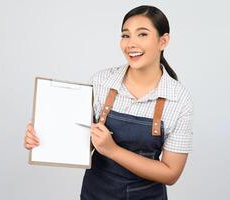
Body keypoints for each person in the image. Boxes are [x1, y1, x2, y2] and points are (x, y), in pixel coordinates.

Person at [24, 5, 193, 200]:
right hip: (95, 194)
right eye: (125, 35)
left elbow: (170, 173)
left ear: (163, 41)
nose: (131, 44)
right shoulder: (101, 82)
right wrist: (43, 137)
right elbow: (81, 143)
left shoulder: (179, 99)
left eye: (142, 34)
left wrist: (113, 151)